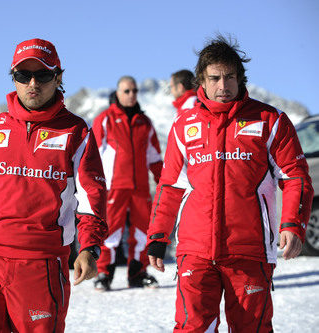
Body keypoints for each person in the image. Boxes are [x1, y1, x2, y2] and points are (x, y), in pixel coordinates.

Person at [0, 38, 108, 332]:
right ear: (12, 77)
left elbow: (92, 197)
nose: (32, 84)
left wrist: (89, 249)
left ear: (58, 77)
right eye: (22, 75)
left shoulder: (76, 131)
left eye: (42, 75)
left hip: (41, 266)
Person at [147, 35, 314, 332]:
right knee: (191, 328)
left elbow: (296, 176)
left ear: (240, 77)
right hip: (195, 251)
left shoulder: (270, 120)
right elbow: (169, 186)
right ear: (202, 81)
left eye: (229, 77)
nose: (223, 86)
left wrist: (293, 224)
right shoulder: (184, 125)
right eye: (214, 78)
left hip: (248, 251)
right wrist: (158, 237)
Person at [92, 76, 163, 291]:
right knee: (111, 232)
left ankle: (138, 273)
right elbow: (92, 154)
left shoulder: (145, 122)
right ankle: (104, 273)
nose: (131, 95)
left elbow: (154, 157)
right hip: (114, 186)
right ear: (118, 93)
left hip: (140, 187)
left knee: (142, 232)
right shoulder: (105, 119)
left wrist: (163, 182)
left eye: (134, 91)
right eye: (127, 91)